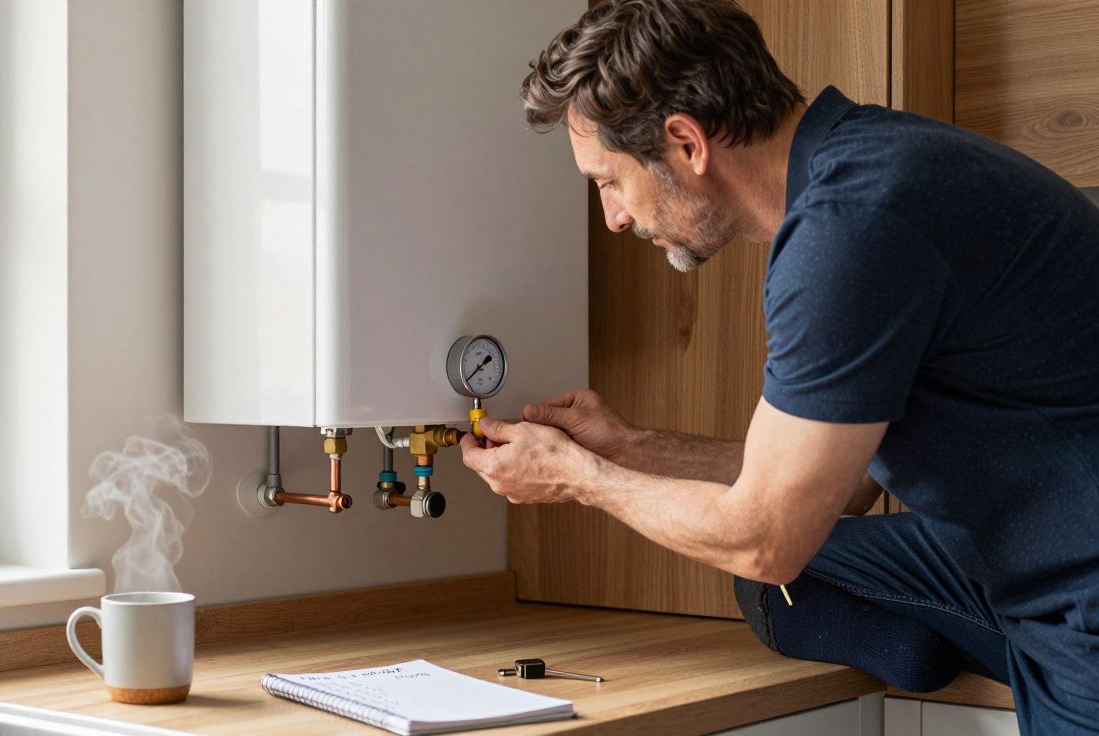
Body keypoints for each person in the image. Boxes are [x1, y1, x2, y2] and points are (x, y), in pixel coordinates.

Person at [457, 1, 1099, 733]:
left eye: (609, 180)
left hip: (1081, 588)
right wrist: (628, 449)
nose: (614, 217)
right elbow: (843, 485)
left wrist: (579, 479)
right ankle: (965, 649)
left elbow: (767, 538)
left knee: (770, 564)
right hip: (1009, 548)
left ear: (685, 142)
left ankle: (1023, 659)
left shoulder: (848, 231)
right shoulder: (861, 165)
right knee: (805, 583)